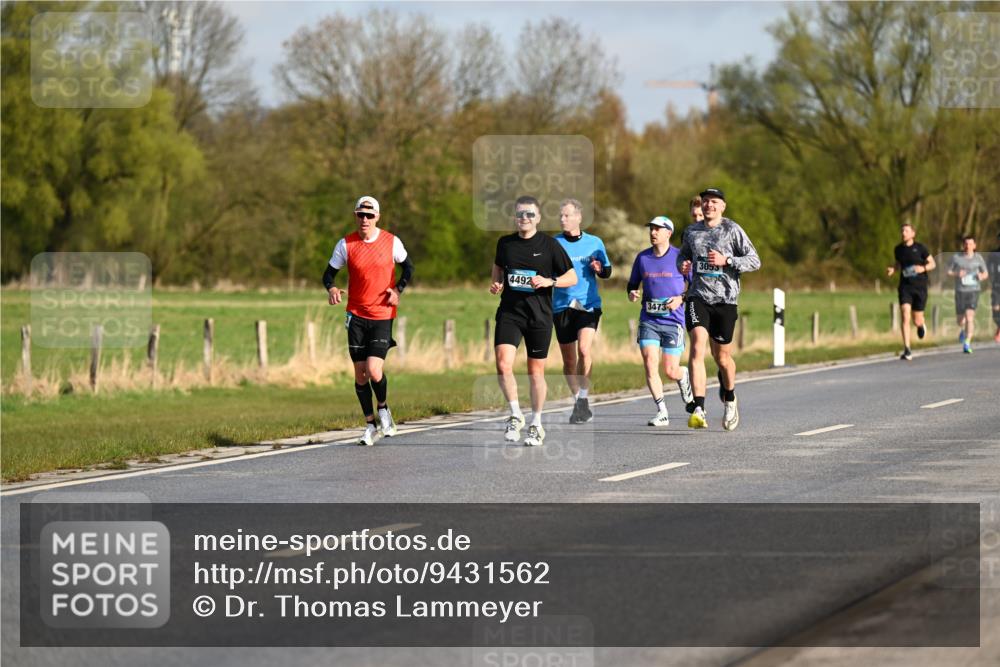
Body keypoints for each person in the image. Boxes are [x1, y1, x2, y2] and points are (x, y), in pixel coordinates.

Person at [323, 196, 414, 446]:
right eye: (360, 215)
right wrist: (331, 288)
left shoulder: (391, 242)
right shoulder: (346, 244)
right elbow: (328, 274)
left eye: (369, 215)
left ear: (377, 217)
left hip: (382, 314)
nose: (364, 219)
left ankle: (384, 409)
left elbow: (409, 268)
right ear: (355, 216)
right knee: (360, 375)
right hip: (356, 317)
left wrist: (398, 290)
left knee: (374, 370)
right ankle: (369, 425)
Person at [491, 196, 576, 446]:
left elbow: (571, 277)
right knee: (503, 364)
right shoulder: (505, 243)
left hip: (539, 315)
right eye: (520, 214)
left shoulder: (549, 245)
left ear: (538, 218)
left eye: (529, 214)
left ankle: (536, 423)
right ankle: (515, 414)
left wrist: (551, 282)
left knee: (535, 372)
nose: (524, 218)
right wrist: (497, 283)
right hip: (510, 312)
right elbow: (498, 267)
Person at [677, 187, 761, 430]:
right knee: (696, 348)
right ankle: (699, 408)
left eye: (714, 202)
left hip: (725, 300)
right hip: (698, 297)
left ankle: (731, 398)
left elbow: (755, 260)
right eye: (705, 201)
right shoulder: (691, 232)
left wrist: (728, 261)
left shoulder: (732, 230)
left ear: (722, 206)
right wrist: (683, 264)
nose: (708, 205)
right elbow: (682, 257)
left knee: (722, 357)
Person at [627, 216, 694, 426]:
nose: (653, 232)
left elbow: (695, 287)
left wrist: (681, 298)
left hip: (673, 320)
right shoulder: (642, 258)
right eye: (651, 229)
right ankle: (662, 411)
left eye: (658, 229)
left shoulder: (680, 257)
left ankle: (683, 376)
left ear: (668, 233)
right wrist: (632, 293)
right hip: (649, 319)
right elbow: (632, 284)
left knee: (670, 370)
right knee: (649, 362)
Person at [552, 199, 612, 424]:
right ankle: (578, 400)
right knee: (569, 360)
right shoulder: (552, 243)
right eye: (560, 216)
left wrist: (600, 269)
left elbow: (607, 270)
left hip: (588, 304)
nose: (562, 219)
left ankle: (584, 399)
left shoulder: (594, 242)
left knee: (585, 350)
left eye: (567, 215)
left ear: (579, 217)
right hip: (561, 306)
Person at [886, 223, 936, 361]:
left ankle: (920, 325)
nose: (903, 233)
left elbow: (932, 263)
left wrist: (922, 269)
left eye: (906, 231)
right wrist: (893, 269)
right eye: (902, 231)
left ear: (913, 234)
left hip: (920, 287)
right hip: (905, 287)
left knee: (917, 319)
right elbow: (898, 264)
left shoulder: (920, 248)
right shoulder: (898, 249)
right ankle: (907, 349)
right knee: (905, 315)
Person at [947, 235, 989, 354]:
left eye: (970, 244)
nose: (968, 246)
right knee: (960, 320)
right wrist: (956, 273)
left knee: (970, 316)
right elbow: (948, 271)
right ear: (963, 245)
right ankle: (963, 330)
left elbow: (985, 273)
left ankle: (967, 342)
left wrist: (981, 276)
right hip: (960, 291)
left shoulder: (978, 258)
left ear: (974, 246)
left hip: (973, 290)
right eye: (966, 244)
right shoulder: (956, 258)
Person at [991, 232, 1000, 343]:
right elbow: (988, 268)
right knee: (995, 310)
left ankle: (999, 332)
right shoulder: (993, 254)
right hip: (996, 286)